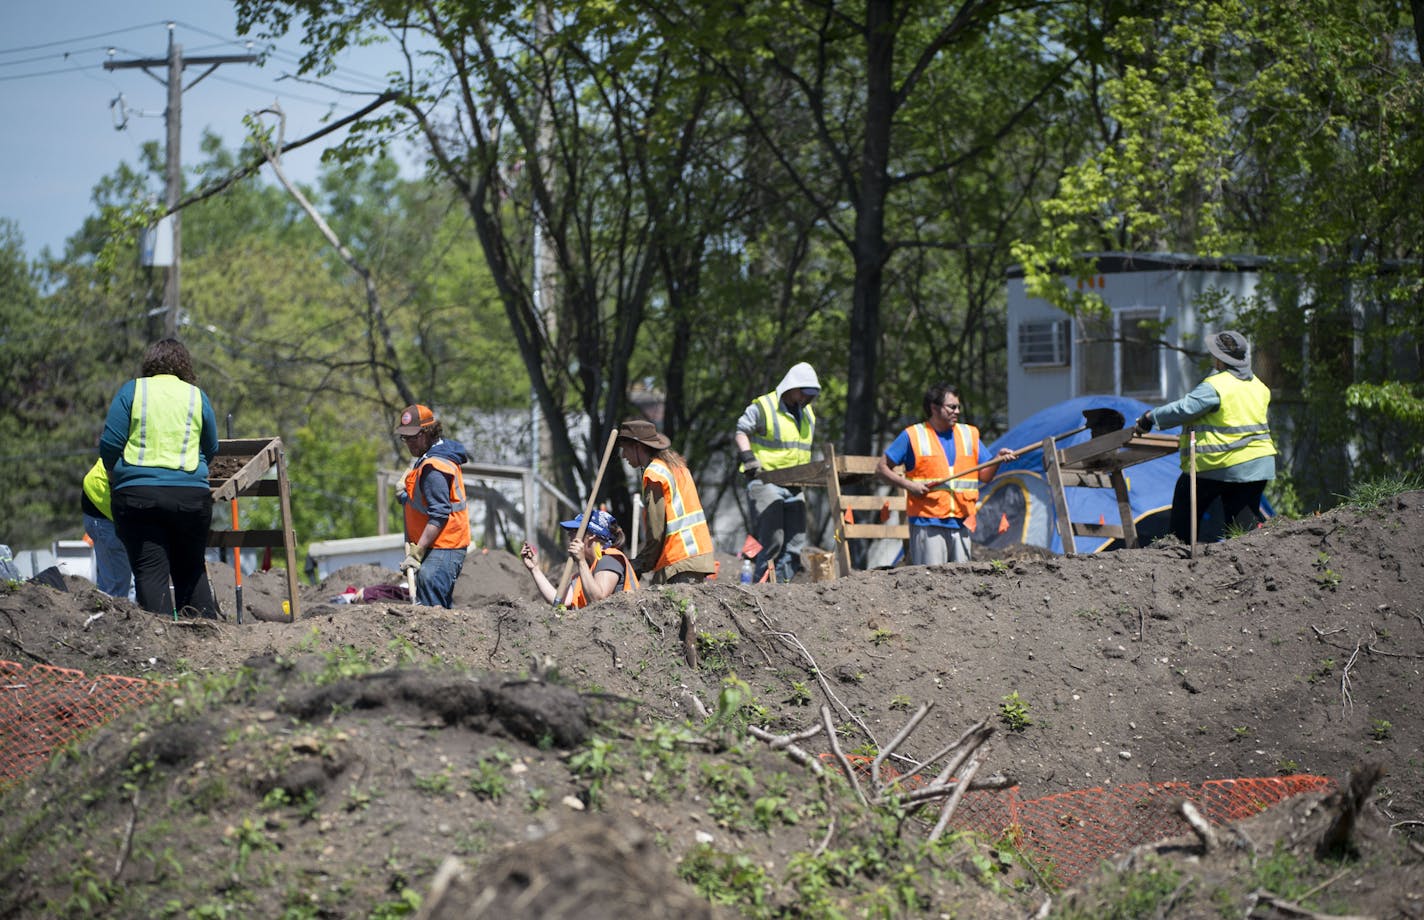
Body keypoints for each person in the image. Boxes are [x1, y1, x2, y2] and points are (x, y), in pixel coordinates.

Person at [99, 338, 220, 618]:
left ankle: (162, 649)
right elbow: (211, 447)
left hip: (139, 498)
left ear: (149, 364)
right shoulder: (195, 396)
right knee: (191, 570)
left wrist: (114, 473)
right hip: (191, 498)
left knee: (151, 573)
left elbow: (109, 445)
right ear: (185, 366)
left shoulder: (132, 391)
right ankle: (205, 643)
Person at [1136, 330, 1276, 543]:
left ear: (1219, 359)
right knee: (1242, 531)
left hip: (1219, 464)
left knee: (1185, 501)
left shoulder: (1217, 386)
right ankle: (1251, 564)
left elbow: (1184, 409)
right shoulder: (1259, 386)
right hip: (1258, 466)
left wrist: (1150, 418)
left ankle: (1178, 552)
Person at [875, 384, 1016, 564]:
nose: (957, 411)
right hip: (928, 522)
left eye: (958, 407)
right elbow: (881, 468)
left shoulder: (969, 434)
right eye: (952, 407)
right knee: (931, 582)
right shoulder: (913, 435)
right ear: (934, 408)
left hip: (961, 522)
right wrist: (910, 485)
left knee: (961, 584)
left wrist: (997, 459)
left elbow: (985, 476)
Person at [734, 362, 820, 583]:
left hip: (795, 484)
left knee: (795, 543)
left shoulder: (808, 413)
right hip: (766, 481)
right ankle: (761, 591)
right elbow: (742, 431)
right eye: (803, 392)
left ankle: (781, 590)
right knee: (773, 540)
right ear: (791, 387)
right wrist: (748, 458)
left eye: (809, 395)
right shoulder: (765, 406)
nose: (805, 398)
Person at [617, 419, 716, 585]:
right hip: (696, 556)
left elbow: (656, 531)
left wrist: (641, 564)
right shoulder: (675, 466)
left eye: (625, 449)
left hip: (679, 558)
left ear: (637, 446)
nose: (623, 455)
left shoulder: (654, 474)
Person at [395, 404, 471, 608]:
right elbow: (425, 501)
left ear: (428, 432)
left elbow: (439, 514)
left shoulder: (434, 467)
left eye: (413, 437)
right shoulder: (430, 457)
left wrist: (417, 552)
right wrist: (405, 497)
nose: (409, 443)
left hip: (446, 543)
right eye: (405, 438)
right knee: (432, 596)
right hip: (439, 542)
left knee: (429, 584)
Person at [520, 510, 638, 607]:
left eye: (574, 531)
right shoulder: (585, 573)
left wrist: (581, 562)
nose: (569, 535)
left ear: (592, 534)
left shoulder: (609, 559)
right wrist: (534, 569)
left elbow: (599, 600)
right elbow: (560, 602)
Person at [81, 458, 133, 599]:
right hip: (104, 509)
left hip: (108, 501)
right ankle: (109, 618)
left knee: (118, 583)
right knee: (116, 590)